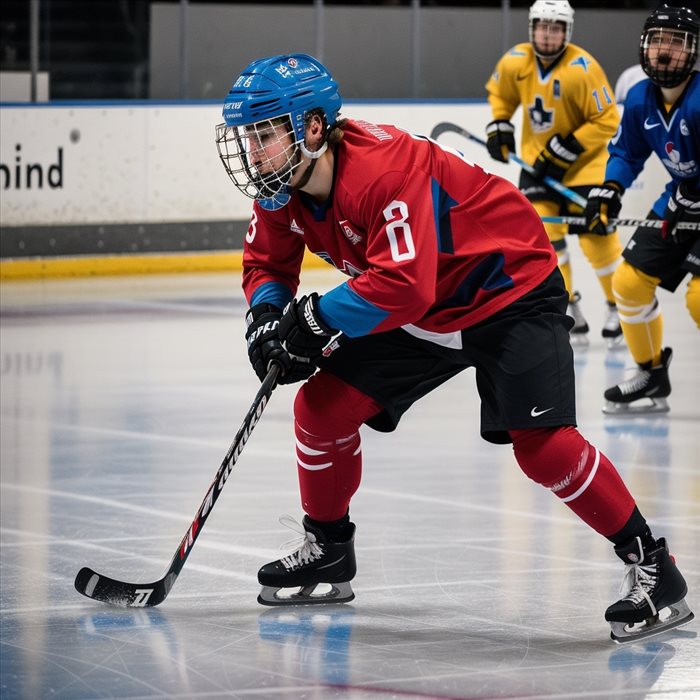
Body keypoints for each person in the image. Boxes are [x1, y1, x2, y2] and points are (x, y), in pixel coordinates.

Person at [215, 53, 693, 642]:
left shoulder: (381, 172)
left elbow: (403, 285)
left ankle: (654, 567)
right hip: (428, 306)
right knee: (320, 409)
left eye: (263, 134)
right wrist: (265, 316)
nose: (251, 150)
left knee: (542, 448)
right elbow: (268, 260)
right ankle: (330, 550)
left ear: (312, 127)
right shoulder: (281, 185)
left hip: (508, 289)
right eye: (248, 136)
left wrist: (315, 317)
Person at [485, 0, 623, 348]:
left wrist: (569, 147)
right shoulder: (516, 60)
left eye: (556, 27)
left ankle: (617, 308)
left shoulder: (583, 67)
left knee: (597, 241)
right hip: (538, 167)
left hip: (586, 168)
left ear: (567, 31)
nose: (548, 33)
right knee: (545, 239)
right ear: (532, 27)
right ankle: (569, 306)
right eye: (543, 26)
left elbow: (607, 119)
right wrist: (500, 123)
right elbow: (501, 93)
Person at [584, 4, 699, 415]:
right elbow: (626, 153)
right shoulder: (638, 99)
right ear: (644, 47)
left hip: (691, 201)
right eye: (658, 40)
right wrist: (609, 190)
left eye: (676, 41)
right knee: (629, 283)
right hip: (679, 201)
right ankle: (652, 373)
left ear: (693, 51)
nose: (665, 50)